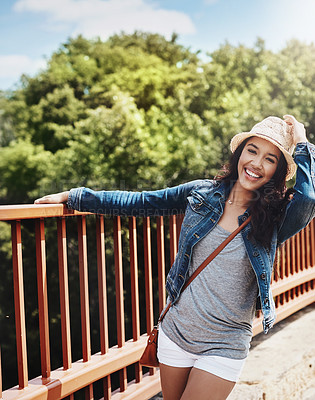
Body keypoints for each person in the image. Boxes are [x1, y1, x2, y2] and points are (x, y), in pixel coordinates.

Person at [35, 115, 315, 400]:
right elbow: (141, 201)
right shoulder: (201, 193)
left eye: (269, 159)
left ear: (278, 171)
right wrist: (74, 197)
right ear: (239, 153)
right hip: (176, 331)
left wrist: (302, 142)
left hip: (225, 342)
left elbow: (307, 200)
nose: (256, 164)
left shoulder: (278, 216)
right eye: (252, 151)